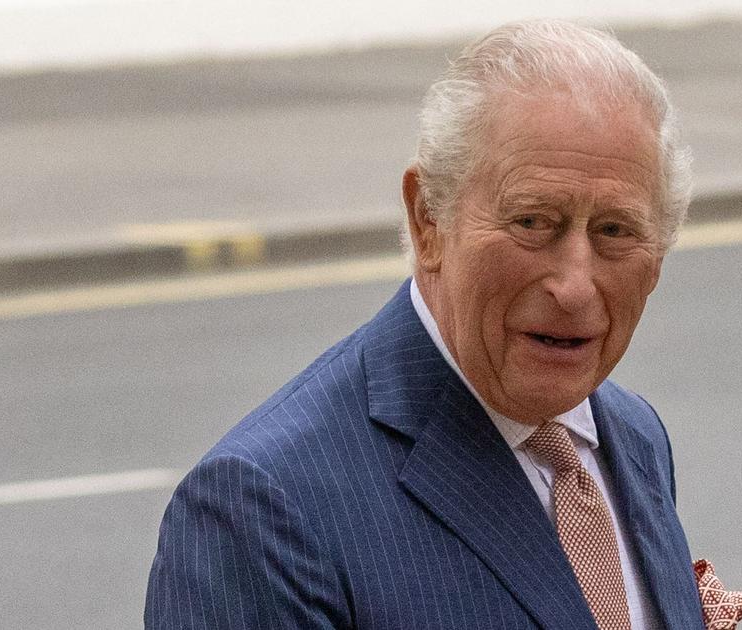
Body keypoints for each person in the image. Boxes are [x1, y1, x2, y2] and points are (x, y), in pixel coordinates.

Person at [147, 18, 703, 630]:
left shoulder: (632, 435)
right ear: (428, 221)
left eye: (615, 231)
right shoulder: (260, 510)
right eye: (532, 222)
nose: (574, 287)